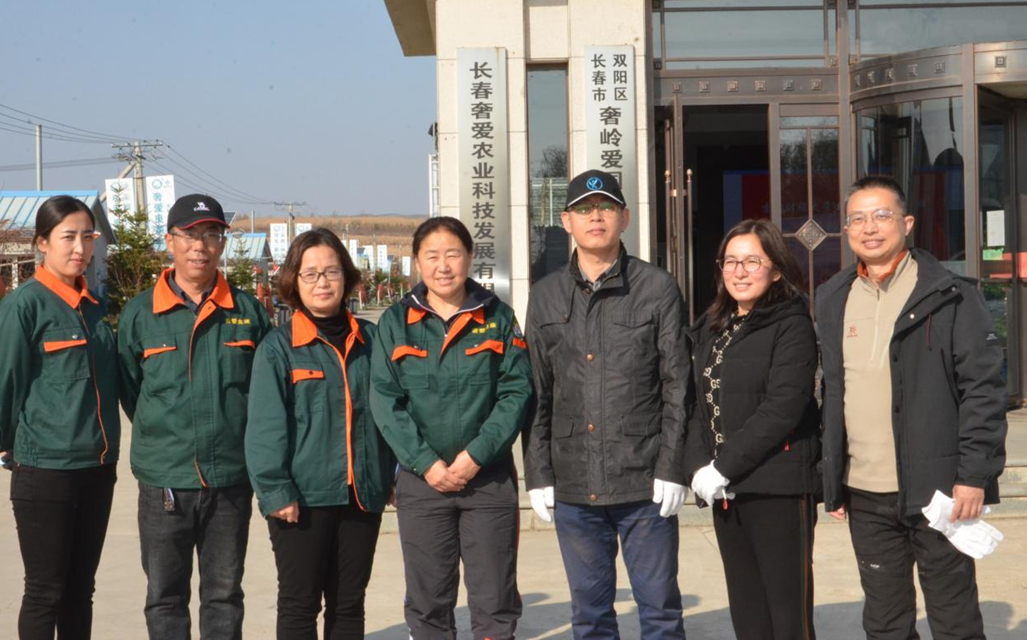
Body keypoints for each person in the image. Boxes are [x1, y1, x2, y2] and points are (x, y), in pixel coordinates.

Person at [817, 175, 1008, 639]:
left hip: (940, 490)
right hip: (865, 491)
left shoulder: (949, 294)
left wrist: (974, 475)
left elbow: (983, 389)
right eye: (858, 218)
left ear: (906, 224)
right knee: (884, 621)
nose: (869, 227)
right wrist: (832, 477)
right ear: (846, 229)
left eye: (882, 215)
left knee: (954, 618)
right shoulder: (833, 296)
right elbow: (832, 392)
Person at [523, 169, 690, 639]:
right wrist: (538, 473)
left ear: (625, 218)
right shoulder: (545, 295)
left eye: (606, 207)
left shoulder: (656, 288)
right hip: (574, 484)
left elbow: (678, 383)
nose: (595, 217)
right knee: (590, 615)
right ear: (566, 221)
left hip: (644, 481)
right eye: (583, 209)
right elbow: (537, 391)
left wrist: (672, 466)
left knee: (660, 610)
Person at [117, 194, 272, 640]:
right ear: (170, 241)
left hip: (230, 479)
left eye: (211, 234)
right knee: (165, 596)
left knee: (224, 594)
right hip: (165, 479)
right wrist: (167, 433)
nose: (200, 246)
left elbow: (264, 394)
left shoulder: (247, 312)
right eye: (189, 235)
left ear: (222, 243)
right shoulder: (140, 314)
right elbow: (131, 389)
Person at [370, 216, 532, 639]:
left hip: (488, 481)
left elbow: (515, 393)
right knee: (427, 602)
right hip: (422, 483)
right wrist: (425, 463)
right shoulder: (396, 322)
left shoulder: (498, 317)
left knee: (495, 598)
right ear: (417, 262)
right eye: (432, 256)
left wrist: (477, 455)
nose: (443, 266)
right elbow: (385, 400)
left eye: (453, 254)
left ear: (470, 257)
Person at [246, 228, 394, 639]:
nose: (322, 282)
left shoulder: (372, 340)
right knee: (299, 604)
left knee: (349, 604)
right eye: (310, 274)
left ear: (347, 276)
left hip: (362, 493)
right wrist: (275, 491)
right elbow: (264, 427)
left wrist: (391, 473)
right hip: (302, 498)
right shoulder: (278, 348)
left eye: (331, 271)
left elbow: (391, 412)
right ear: (293, 282)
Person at [684, 219, 821, 640]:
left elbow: (783, 407)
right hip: (727, 490)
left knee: (787, 616)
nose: (739, 272)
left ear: (776, 270)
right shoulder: (713, 326)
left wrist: (722, 466)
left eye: (752, 262)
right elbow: (697, 403)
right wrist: (698, 467)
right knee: (748, 613)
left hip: (777, 487)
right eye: (730, 261)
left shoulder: (792, 323)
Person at [0, 195, 121, 639]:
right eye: (68, 237)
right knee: (44, 591)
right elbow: (5, 382)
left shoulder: (94, 307)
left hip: (97, 468)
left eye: (87, 237)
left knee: (80, 591)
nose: (80, 248)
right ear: (42, 243)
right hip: (45, 470)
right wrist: (7, 445)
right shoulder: (24, 306)